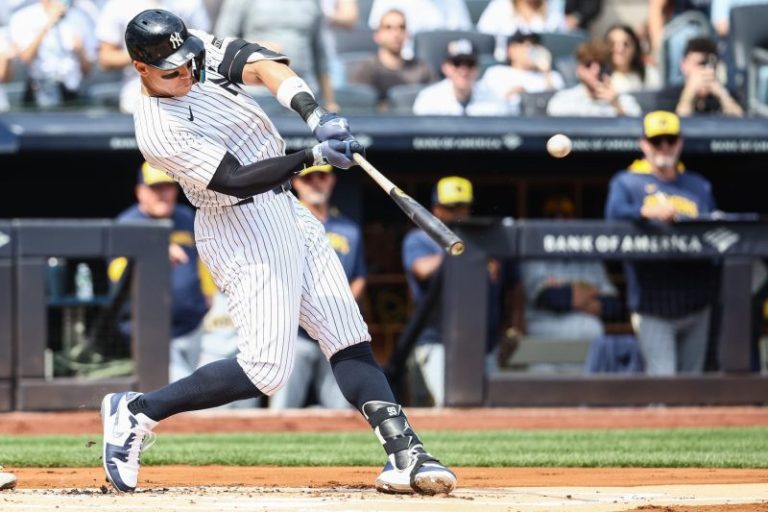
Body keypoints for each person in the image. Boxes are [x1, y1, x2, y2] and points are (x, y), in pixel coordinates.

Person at [100, 9, 456, 496]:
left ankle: (405, 452)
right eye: (171, 70)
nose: (186, 73)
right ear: (141, 68)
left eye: (189, 62)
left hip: (287, 209)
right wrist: (311, 157)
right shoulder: (157, 129)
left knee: (347, 335)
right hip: (238, 223)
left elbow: (263, 66)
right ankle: (136, 411)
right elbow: (233, 179)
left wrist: (315, 115)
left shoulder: (190, 46)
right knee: (266, 370)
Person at [605, 110, 718, 376]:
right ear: (644, 144)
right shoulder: (627, 182)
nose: (664, 147)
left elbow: (715, 228)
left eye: (670, 140)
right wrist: (645, 212)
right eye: (657, 141)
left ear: (680, 142)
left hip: (696, 301)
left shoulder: (697, 185)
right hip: (652, 303)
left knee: (692, 384)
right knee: (663, 380)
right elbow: (613, 218)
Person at [401, 177, 505, 405]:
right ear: (436, 209)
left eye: (463, 206)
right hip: (437, 340)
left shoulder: (481, 244)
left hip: (481, 342)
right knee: (452, 403)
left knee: (492, 407)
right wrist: (463, 252)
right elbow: (421, 269)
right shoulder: (420, 239)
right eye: (451, 207)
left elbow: (507, 286)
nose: (458, 213)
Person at [270, 164, 364, 410]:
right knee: (282, 409)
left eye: (321, 176)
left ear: (331, 180)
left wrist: (338, 313)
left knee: (341, 409)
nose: (315, 182)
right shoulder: (283, 224)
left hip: (335, 332)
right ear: (296, 183)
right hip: (294, 333)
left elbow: (359, 277)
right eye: (308, 178)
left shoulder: (349, 228)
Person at [109, 162, 210, 383]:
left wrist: (208, 292)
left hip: (191, 325)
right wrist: (154, 248)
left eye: (168, 187)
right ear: (140, 192)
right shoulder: (127, 224)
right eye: (156, 188)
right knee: (182, 387)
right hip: (149, 329)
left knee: (197, 386)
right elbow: (116, 275)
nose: (163, 194)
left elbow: (202, 259)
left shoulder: (185, 217)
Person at [519, 194, 621, 364]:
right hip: (543, 333)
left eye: (565, 216)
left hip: (587, 341)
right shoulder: (534, 252)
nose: (560, 221)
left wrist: (574, 296)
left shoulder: (588, 255)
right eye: (553, 216)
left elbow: (613, 304)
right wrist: (588, 295)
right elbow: (546, 297)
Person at [215, 0, 337, 112]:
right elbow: (221, 42)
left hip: (304, 95)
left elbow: (321, 52)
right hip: (256, 97)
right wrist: (256, 48)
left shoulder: (313, 2)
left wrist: (330, 102)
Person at [96, 0, 210, 113]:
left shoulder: (189, 3)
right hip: (138, 91)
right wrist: (151, 53)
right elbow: (105, 58)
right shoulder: (118, 5)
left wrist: (176, 53)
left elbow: (202, 43)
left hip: (191, 87)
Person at [9, 0, 96, 108]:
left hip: (71, 92)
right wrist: (48, 23)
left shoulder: (79, 18)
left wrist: (81, 51)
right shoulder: (24, 17)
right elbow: (25, 57)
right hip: (39, 91)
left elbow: (88, 70)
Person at [349, 9, 434, 110]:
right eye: (388, 28)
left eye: (402, 27)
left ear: (407, 34)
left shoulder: (421, 69)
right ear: (377, 36)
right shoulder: (366, 70)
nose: (396, 34)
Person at [413, 39, 509, 116]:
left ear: (477, 69)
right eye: (457, 63)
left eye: (469, 64)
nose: (463, 71)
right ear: (445, 68)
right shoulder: (429, 99)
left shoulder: (493, 99)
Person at [547, 40, 642, 116]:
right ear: (579, 69)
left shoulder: (623, 100)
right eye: (588, 64)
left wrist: (617, 106)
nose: (596, 71)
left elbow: (635, 122)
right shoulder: (564, 99)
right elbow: (553, 111)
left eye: (601, 64)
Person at [480, 31, 565, 114]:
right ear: (512, 49)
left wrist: (546, 71)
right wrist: (511, 95)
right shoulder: (496, 73)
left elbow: (558, 106)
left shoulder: (553, 76)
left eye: (536, 45)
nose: (533, 50)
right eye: (527, 45)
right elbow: (485, 105)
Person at [658, 37, 743, 116]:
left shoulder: (729, 95)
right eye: (700, 64)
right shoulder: (667, 97)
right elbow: (677, 123)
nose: (706, 70)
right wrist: (689, 93)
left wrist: (723, 96)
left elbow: (740, 122)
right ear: (684, 65)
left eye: (711, 65)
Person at [477, 0, 568, 61]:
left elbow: (561, 48)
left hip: (540, 70)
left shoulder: (552, 12)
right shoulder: (500, 6)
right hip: (503, 65)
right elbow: (481, 40)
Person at [604, 24, 659, 93]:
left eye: (626, 44)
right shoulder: (600, 78)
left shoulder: (649, 74)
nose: (620, 49)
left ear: (635, 48)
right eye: (613, 44)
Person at [367, 0, 472, 35]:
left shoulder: (454, 3)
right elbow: (377, 35)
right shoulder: (385, 2)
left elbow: (466, 38)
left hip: (447, 67)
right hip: (401, 67)